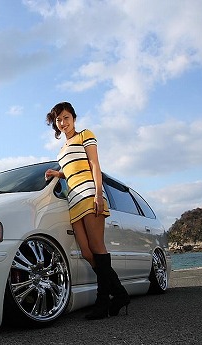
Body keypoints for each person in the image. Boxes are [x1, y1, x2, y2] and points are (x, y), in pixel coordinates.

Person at [44, 101, 130, 320]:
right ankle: (120, 293)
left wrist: (99, 194)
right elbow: (73, 170)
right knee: (86, 252)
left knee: (97, 246)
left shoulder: (85, 135)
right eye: (58, 120)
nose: (63, 122)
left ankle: (103, 301)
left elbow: (94, 164)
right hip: (73, 199)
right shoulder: (62, 150)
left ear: (74, 118)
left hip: (90, 193)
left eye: (66, 117)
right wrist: (58, 174)